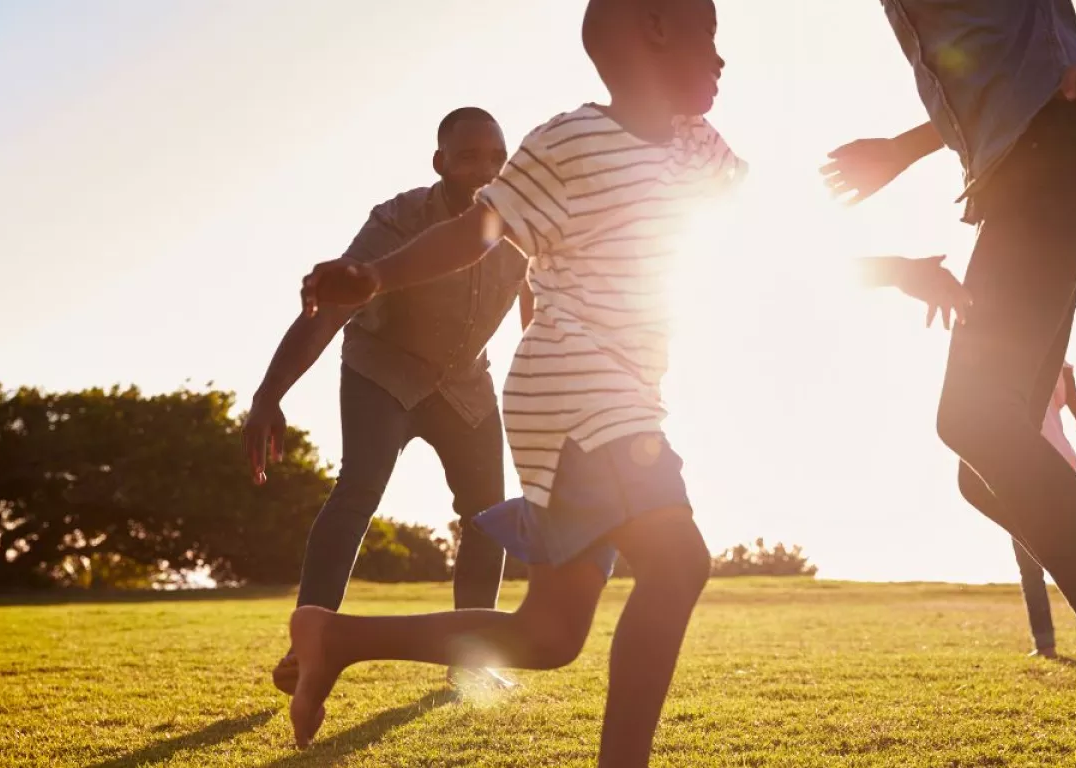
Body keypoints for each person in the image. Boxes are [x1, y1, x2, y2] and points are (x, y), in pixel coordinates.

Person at [285, 1, 968, 763]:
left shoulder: (699, 148)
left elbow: (767, 245)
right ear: (653, 31)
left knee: (548, 636)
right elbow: (478, 232)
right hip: (574, 377)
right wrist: (376, 274)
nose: (720, 59)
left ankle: (336, 637)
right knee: (680, 564)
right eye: (708, 37)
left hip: (618, 392)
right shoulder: (569, 140)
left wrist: (897, 270)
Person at [819, 2, 1076, 766]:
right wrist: (904, 151)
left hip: (1054, 156)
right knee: (981, 469)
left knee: (972, 420)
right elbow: (998, 75)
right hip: (1034, 163)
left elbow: (1041, 66)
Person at [242, 107, 531, 695]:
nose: (487, 168)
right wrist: (268, 395)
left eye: (498, 157)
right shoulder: (398, 219)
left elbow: (538, 310)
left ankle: (470, 659)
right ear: (440, 163)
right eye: (470, 156)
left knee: (489, 515)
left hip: (464, 383)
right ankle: (308, 647)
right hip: (384, 372)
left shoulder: (522, 221)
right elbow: (333, 307)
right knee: (358, 491)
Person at [1015, 362, 1076, 659]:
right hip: (1062, 463)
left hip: (1027, 469)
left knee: (1031, 565)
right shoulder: (1061, 368)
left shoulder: (1020, 359)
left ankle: (1046, 644)